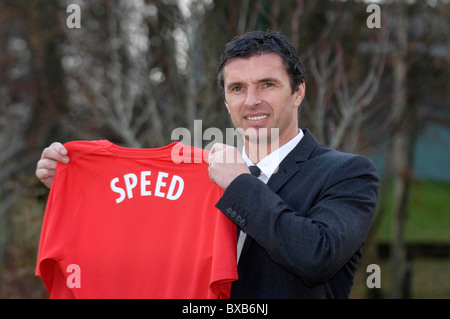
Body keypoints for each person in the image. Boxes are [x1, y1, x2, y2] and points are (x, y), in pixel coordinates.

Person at [36, 31, 379, 298]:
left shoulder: (348, 173)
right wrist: (82, 192)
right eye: (237, 88)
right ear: (226, 100)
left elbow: (316, 255)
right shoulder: (199, 178)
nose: (252, 100)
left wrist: (240, 185)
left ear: (298, 92)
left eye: (267, 84)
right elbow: (142, 247)